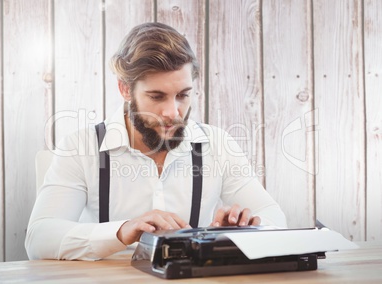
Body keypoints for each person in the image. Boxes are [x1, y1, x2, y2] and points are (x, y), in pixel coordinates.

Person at [25, 22, 287, 261]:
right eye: (157, 96)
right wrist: (122, 231)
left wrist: (246, 230)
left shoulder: (218, 145)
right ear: (125, 89)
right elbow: (39, 239)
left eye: (183, 95)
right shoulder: (80, 148)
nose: (173, 112)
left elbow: (275, 218)